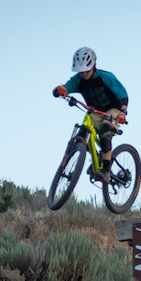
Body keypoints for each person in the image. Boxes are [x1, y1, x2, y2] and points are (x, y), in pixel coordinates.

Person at [52, 47, 128, 182]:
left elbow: (123, 94)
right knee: (82, 135)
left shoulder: (105, 77)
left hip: (113, 111)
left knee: (105, 132)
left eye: (86, 70)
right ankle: (88, 161)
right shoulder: (78, 80)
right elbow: (66, 87)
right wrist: (60, 90)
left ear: (93, 66)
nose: (84, 74)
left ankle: (105, 170)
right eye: (81, 71)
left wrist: (123, 112)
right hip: (94, 111)